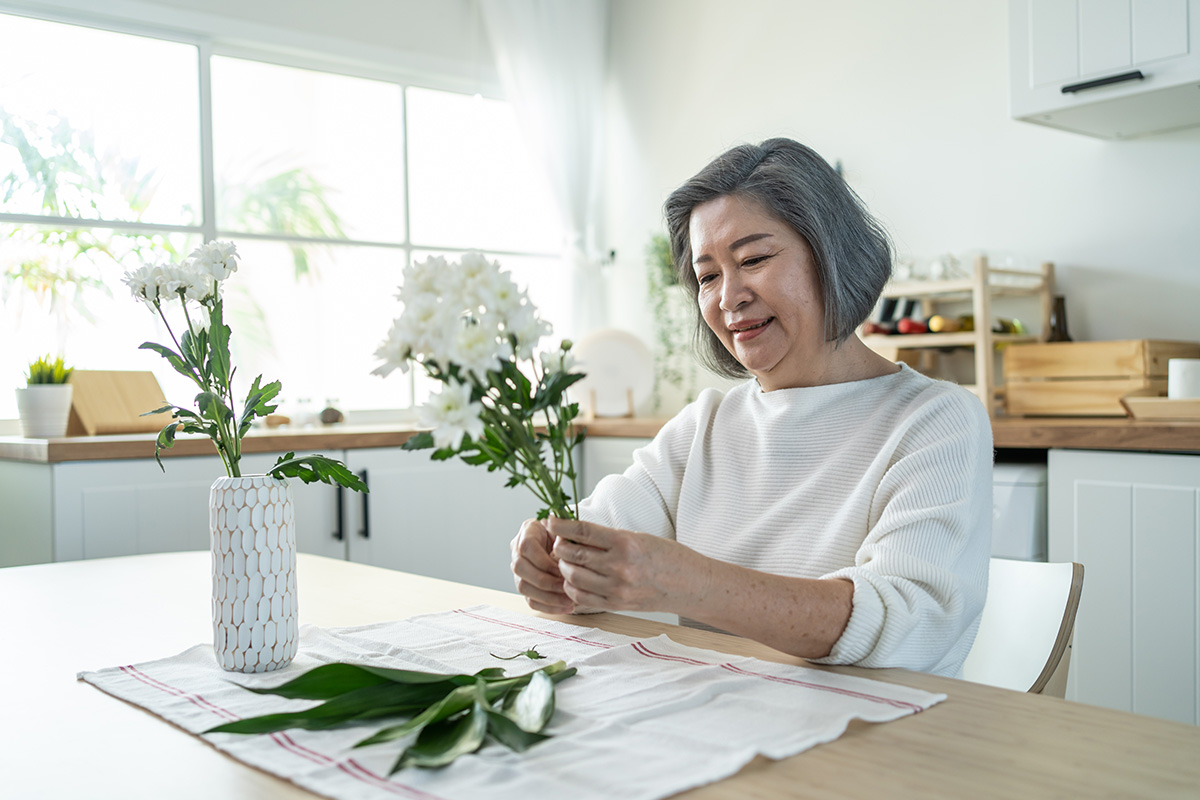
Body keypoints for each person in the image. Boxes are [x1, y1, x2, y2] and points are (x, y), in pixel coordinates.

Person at [510, 138, 992, 676]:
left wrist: (687, 582)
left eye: (754, 259)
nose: (727, 297)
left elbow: (908, 625)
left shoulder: (936, 420)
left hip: (879, 734)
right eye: (708, 275)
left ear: (831, 255)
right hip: (722, 722)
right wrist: (553, 563)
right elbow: (597, 546)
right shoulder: (706, 426)